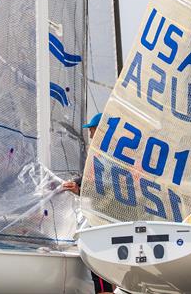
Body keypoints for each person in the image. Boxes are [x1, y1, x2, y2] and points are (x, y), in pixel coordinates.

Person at [62, 113, 114, 294]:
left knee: (100, 265)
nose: (91, 136)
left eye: (93, 131)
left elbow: (102, 183)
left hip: (107, 220)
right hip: (107, 219)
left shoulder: (110, 155)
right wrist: (77, 185)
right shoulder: (106, 154)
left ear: (104, 131)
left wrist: (79, 185)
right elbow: (94, 182)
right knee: (104, 269)